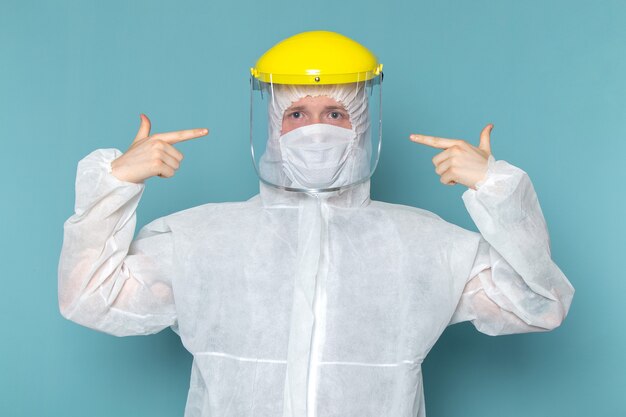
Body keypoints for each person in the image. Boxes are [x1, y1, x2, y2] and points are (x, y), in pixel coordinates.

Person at [58, 31, 574, 417]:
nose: (315, 131)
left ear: (363, 124)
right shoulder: (200, 239)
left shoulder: (424, 243)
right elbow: (90, 297)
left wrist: (499, 191)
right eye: (297, 115)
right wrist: (115, 183)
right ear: (272, 128)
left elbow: (537, 305)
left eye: (335, 113)